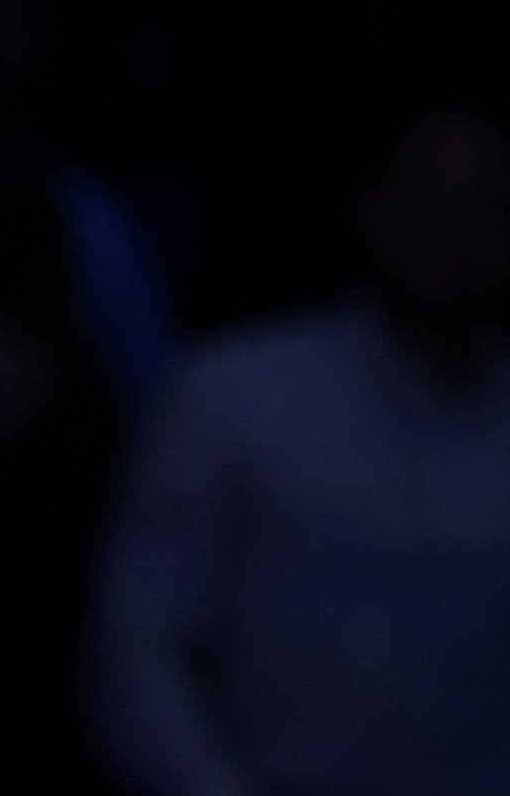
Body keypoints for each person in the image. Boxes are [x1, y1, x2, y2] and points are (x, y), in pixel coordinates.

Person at [83, 88, 510, 796]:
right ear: (369, 205)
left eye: (482, 207)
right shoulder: (234, 396)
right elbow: (136, 637)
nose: (449, 233)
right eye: (422, 197)